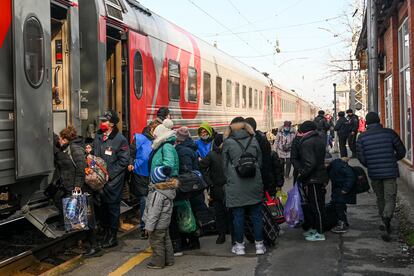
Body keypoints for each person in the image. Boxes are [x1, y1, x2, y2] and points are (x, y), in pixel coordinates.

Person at [357, 112, 406, 241]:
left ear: (366, 123)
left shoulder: (362, 137)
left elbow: (361, 158)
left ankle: (384, 218)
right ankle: (387, 217)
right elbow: (402, 151)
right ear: (379, 121)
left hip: (374, 172)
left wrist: (371, 165)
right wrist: (393, 159)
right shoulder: (389, 133)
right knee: (390, 196)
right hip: (390, 172)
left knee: (380, 196)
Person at [223, 117, 265, 255]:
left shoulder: (228, 142)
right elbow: (260, 160)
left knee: (238, 216)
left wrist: (230, 177)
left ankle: (239, 246)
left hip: (236, 184)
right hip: (254, 181)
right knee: (257, 215)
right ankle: (259, 245)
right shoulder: (253, 140)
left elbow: (224, 165)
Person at [90, 110, 130, 248]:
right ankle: (105, 233)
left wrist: (109, 174)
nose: (102, 123)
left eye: (104, 121)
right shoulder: (98, 136)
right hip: (98, 181)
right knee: (101, 207)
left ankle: (112, 237)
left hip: (113, 181)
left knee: (112, 207)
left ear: (111, 124)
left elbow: (124, 161)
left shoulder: (120, 140)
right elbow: (96, 155)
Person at [148, 119, 181, 254]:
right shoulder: (165, 146)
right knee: (165, 221)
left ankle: (163, 256)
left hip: (163, 186)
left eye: (155, 135)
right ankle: (169, 254)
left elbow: (168, 166)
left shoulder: (166, 147)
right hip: (162, 184)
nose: (154, 137)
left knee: (163, 221)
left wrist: (158, 174)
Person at [293, 121, 328, 242]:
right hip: (320, 177)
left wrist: (302, 175)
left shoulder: (307, 143)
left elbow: (310, 163)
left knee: (316, 206)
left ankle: (320, 232)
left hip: (314, 179)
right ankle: (317, 228)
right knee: (318, 205)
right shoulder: (318, 139)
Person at [174, 126, 205, 251]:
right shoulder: (190, 147)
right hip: (193, 185)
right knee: (190, 213)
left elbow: (186, 169)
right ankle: (193, 240)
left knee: (187, 214)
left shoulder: (182, 151)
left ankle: (192, 240)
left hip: (187, 187)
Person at [143, 166, 178, 269]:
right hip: (164, 222)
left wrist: (148, 227)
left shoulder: (157, 194)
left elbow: (154, 212)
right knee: (166, 241)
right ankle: (169, 260)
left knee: (157, 243)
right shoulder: (168, 191)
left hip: (157, 224)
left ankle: (157, 262)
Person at [199, 134, 229, 244]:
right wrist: (209, 182)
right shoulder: (214, 155)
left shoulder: (219, 154)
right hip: (220, 187)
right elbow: (201, 167)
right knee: (222, 211)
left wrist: (209, 182)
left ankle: (224, 233)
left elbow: (202, 168)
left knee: (223, 212)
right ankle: (224, 233)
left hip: (221, 187)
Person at [128, 122, 156, 239]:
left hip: (154, 174)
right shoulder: (139, 139)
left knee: (153, 201)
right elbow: (131, 153)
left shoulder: (159, 140)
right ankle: (145, 228)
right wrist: (130, 163)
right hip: (140, 173)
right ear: (151, 129)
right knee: (144, 199)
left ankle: (151, 226)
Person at [245, 117, 274, 195]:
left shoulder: (248, 142)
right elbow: (266, 163)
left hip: (251, 178)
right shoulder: (263, 139)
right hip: (261, 177)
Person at [327, 158, 356, 233]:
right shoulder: (333, 167)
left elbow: (351, 176)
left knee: (339, 207)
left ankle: (342, 225)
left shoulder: (338, 166)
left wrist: (346, 189)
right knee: (338, 206)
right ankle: (343, 223)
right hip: (338, 190)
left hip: (341, 190)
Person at [55, 126, 86, 196]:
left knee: (75, 205)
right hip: (67, 186)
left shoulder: (75, 149)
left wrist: (78, 186)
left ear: (65, 140)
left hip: (75, 187)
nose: (58, 140)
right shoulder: (63, 149)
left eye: (60, 138)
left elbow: (81, 168)